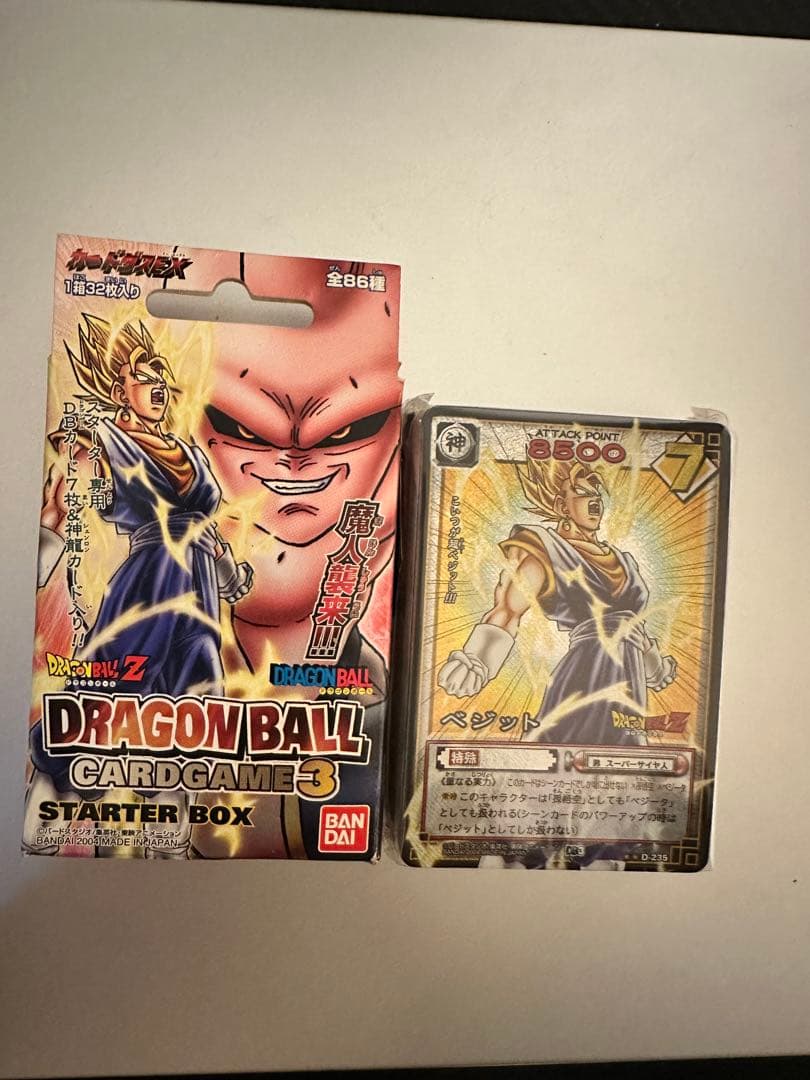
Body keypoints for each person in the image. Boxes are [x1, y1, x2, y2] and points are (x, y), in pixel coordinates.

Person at [26, 314, 252, 857]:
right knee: (102, 703)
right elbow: (69, 505)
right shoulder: (100, 437)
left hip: (200, 594)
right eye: (144, 377)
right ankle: (46, 817)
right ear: (118, 388)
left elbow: (209, 534)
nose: (157, 388)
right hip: (147, 584)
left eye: (162, 379)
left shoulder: (191, 453)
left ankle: (168, 847)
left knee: (190, 717)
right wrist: (49, 539)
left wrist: (227, 569)